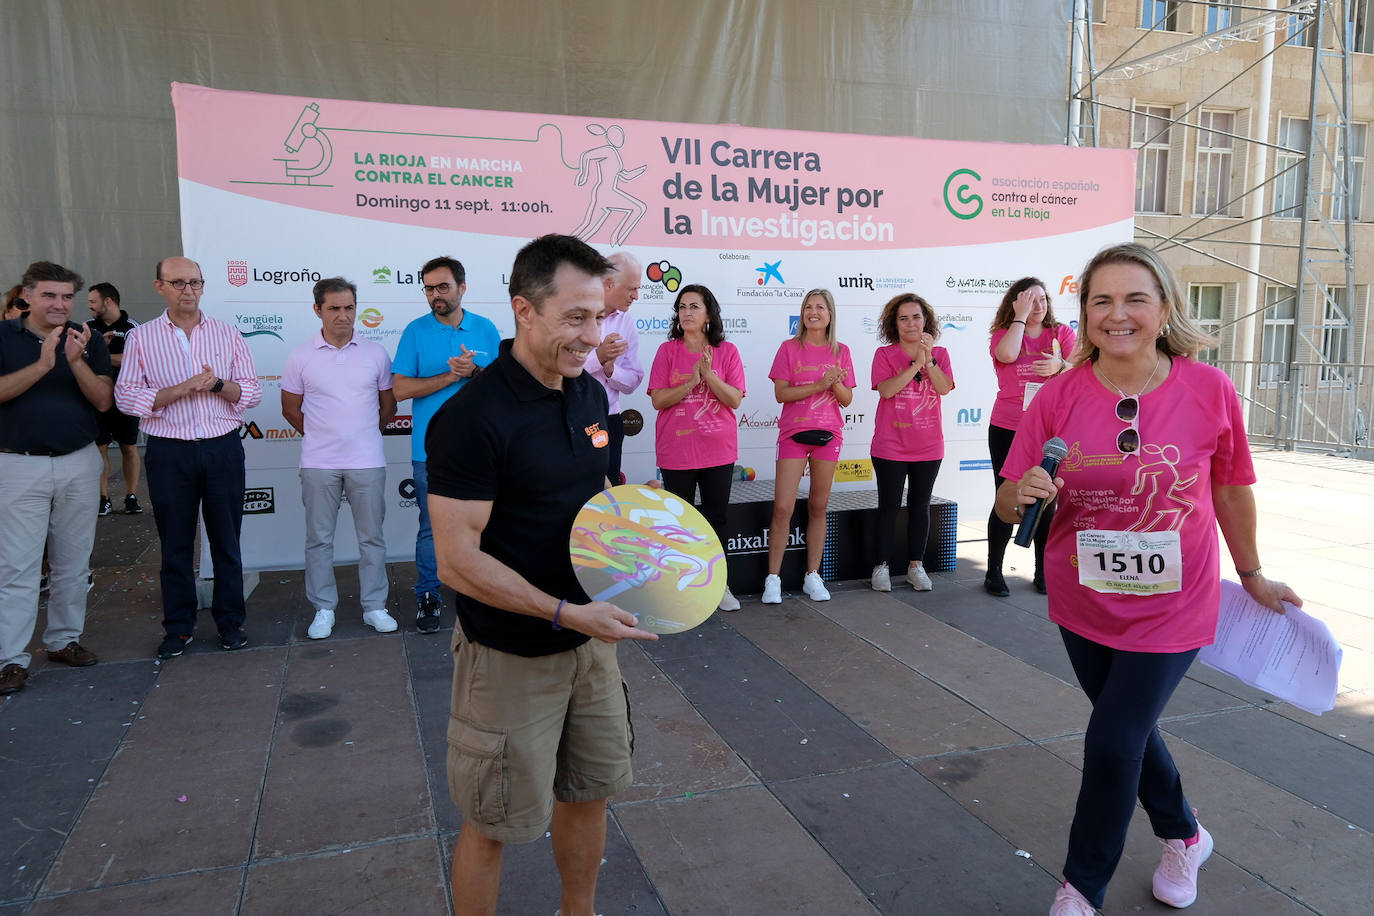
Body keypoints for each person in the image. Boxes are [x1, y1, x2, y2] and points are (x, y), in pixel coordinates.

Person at [994, 244, 1301, 916]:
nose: (1117, 313)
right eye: (1101, 300)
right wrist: (1023, 496)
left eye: (1135, 298)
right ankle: (1184, 834)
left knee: (1111, 738)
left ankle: (1081, 889)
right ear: (1086, 313)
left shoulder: (1208, 388)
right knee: (1126, 727)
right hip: (1084, 600)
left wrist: (1250, 573)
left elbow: (1231, 490)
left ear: (1164, 309)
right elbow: (1005, 498)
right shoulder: (1057, 398)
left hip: (1175, 602)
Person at [425, 234, 657, 916]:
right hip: (509, 658)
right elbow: (456, 561)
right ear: (525, 310)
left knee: (589, 794)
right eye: (576, 317)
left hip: (590, 647)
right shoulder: (473, 417)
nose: (595, 334)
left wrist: (641, 555)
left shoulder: (587, 396)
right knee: (493, 824)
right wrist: (562, 611)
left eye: (600, 315)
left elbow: (596, 501)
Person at [114, 256, 261, 659]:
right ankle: (178, 628)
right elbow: (126, 398)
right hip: (169, 452)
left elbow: (251, 392)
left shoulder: (227, 334)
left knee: (227, 542)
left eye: (194, 282)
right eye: (178, 283)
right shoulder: (141, 338)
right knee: (175, 544)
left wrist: (214, 384)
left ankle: (231, 622)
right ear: (159, 286)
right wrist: (180, 389)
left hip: (222, 448)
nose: (188, 290)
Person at [0, 261, 112, 695]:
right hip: (17, 464)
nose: (60, 304)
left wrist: (74, 362)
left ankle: (64, 640)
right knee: (18, 567)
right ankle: (11, 659)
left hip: (79, 461)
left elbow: (104, 401)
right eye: (50, 295)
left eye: (67, 296)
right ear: (27, 295)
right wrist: (42, 366)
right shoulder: (4, 336)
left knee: (73, 562)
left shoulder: (86, 339)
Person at [281, 277, 398, 640]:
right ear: (318, 310)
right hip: (319, 462)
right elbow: (289, 409)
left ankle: (375, 607)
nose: (343, 316)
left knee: (372, 539)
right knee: (319, 539)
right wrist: (323, 434)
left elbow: (388, 406)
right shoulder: (300, 356)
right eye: (334, 308)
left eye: (349, 307)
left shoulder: (376, 353)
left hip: (367, 460)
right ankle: (323, 609)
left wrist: (361, 433)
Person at [391, 256, 500, 634]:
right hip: (430, 451)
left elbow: (503, 388)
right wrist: (449, 376)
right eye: (428, 288)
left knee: (488, 526)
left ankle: (481, 591)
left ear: (462, 288)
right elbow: (401, 389)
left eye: (442, 287)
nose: (435, 295)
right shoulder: (415, 331)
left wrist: (476, 372)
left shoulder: (485, 329)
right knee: (430, 527)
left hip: (482, 449)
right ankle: (428, 595)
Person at [647, 283, 746, 612]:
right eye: (682, 307)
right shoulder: (667, 352)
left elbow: (733, 399)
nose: (686, 313)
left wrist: (709, 376)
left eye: (694, 307)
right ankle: (681, 590)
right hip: (677, 451)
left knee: (716, 517)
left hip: (717, 450)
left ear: (708, 314)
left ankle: (720, 585)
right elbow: (659, 399)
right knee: (679, 523)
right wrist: (691, 380)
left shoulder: (727, 351)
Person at [762, 289, 854, 604]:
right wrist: (820, 384)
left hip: (829, 435)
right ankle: (772, 578)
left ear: (830, 314)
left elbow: (846, 399)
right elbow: (781, 394)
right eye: (808, 307)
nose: (813, 312)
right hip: (793, 434)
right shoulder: (789, 348)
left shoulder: (841, 350)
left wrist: (836, 382)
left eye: (819, 307)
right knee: (783, 507)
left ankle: (812, 576)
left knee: (818, 506)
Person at [985, 277, 1075, 596]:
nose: (1039, 306)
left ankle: (1042, 571)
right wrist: (1020, 318)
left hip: (1049, 429)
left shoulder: (1061, 333)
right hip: (1008, 426)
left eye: (1042, 300)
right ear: (1016, 302)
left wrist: (1061, 364)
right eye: (1030, 300)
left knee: (1046, 498)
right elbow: (1007, 355)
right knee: (1006, 496)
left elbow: (1084, 368)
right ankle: (994, 571)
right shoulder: (1006, 332)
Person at [868, 293, 954, 592]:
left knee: (920, 506)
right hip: (890, 444)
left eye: (916, 317)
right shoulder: (884, 355)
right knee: (889, 506)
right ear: (894, 323)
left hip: (929, 446)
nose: (910, 323)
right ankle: (881, 566)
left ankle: (916, 566)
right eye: (903, 318)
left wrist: (927, 360)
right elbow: (887, 391)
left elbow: (943, 388)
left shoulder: (940, 353)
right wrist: (914, 364)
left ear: (926, 320)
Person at [583, 250, 644, 486]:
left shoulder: (626, 321)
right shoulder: (577, 313)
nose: (636, 296)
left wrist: (610, 369)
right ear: (609, 283)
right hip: (574, 418)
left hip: (610, 418)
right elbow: (558, 369)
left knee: (609, 492)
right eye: (632, 289)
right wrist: (598, 356)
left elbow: (634, 380)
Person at [86, 282, 143, 516]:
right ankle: (104, 498)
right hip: (96, 398)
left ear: (107, 301)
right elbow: (79, 357)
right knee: (100, 448)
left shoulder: (133, 328)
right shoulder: (87, 327)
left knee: (129, 446)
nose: (90, 306)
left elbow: (136, 360)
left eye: (93, 301)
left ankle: (131, 496)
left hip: (126, 397)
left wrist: (100, 355)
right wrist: (105, 355)